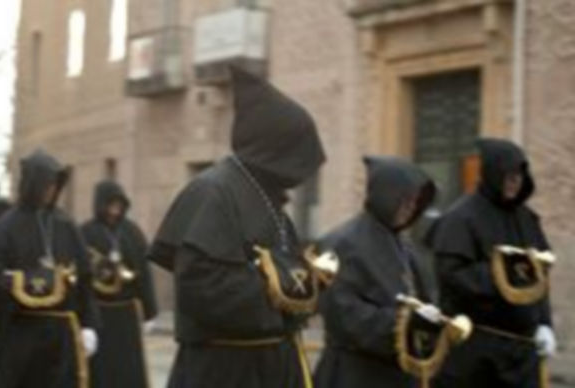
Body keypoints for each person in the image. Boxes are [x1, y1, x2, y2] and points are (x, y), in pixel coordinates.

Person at [148, 67, 326, 388]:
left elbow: (287, 276)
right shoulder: (212, 192)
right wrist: (281, 289)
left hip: (276, 365)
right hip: (225, 372)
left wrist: (307, 282)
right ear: (275, 145)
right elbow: (203, 288)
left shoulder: (270, 201)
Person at [428, 138, 556, 388]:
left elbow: (538, 278)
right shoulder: (461, 218)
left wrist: (544, 323)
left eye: (519, 176)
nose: (514, 183)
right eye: (508, 176)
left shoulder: (527, 219)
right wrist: (504, 275)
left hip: (522, 354)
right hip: (476, 352)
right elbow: (452, 275)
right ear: (492, 175)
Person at [313, 157, 439, 388]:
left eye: (415, 202)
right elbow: (343, 313)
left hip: (398, 373)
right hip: (354, 373)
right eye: (405, 200)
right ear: (387, 196)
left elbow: (420, 296)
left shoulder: (403, 245)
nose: (411, 208)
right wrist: (401, 322)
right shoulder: (341, 242)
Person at [0, 148, 99, 388]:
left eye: (55, 185)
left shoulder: (66, 225)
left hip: (63, 336)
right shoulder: (5, 227)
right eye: (46, 185)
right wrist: (28, 282)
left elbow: (85, 276)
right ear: (32, 185)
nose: (51, 191)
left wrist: (89, 324)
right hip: (22, 334)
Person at [81, 180, 157, 388]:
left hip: (127, 313)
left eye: (118, 205)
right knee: (102, 370)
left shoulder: (133, 232)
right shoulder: (85, 232)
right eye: (110, 205)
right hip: (99, 314)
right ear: (100, 204)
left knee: (128, 367)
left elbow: (144, 274)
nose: (114, 211)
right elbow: (82, 279)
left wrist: (150, 312)